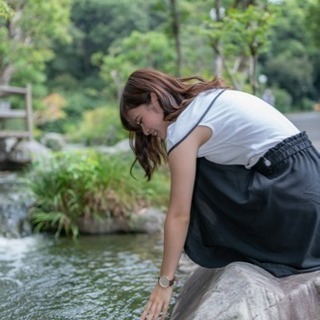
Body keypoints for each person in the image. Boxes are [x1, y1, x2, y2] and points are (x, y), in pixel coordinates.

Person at [119, 68, 320, 320]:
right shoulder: (206, 99)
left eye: (140, 122)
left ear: (154, 98)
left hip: (293, 198)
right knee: (194, 168)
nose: (145, 132)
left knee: (194, 175)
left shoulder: (182, 131)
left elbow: (179, 215)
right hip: (308, 188)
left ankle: (231, 248)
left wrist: (164, 285)